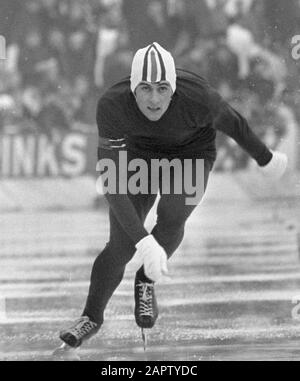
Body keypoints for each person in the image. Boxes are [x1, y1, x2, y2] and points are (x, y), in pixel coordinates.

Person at [53, 42, 288, 357]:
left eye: (163, 89)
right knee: (121, 244)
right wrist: (142, 241)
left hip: (190, 153)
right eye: (145, 89)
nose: (153, 99)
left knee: (174, 212)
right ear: (132, 89)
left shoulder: (199, 98)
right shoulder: (112, 104)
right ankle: (91, 317)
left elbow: (236, 125)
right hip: (138, 156)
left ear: (174, 90)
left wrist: (265, 158)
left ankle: (146, 281)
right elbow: (112, 184)